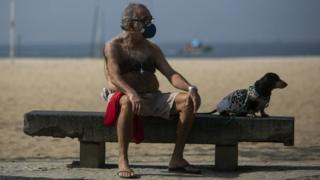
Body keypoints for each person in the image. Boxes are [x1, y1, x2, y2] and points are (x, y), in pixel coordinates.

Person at [103, 3, 201, 178]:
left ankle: (177, 158)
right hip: (124, 95)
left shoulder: (152, 48)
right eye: (145, 20)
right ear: (132, 23)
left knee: (187, 101)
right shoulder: (113, 46)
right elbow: (115, 76)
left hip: (152, 97)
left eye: (150, 19)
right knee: (126, 101)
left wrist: (190, 87)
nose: (150, 24)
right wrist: (132, 93)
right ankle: (123, 160)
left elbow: (170, 74)